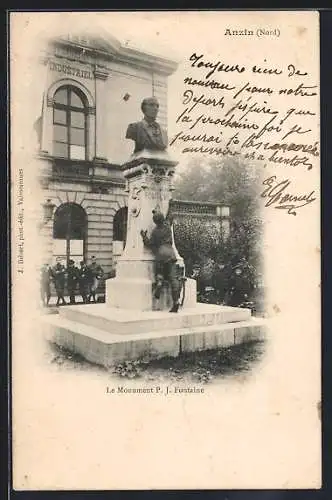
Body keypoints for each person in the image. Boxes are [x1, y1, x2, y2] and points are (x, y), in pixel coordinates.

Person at [140, 210, 181, 313]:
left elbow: (150, 244)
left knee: (159, 272)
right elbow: (169, 217)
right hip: (171, 253)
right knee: (173, 279)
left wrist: (144, 236)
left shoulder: (155, 232)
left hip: (160, 254)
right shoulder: (168, 228)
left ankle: (159, 282)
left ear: (155, 221)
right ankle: (176, 302)